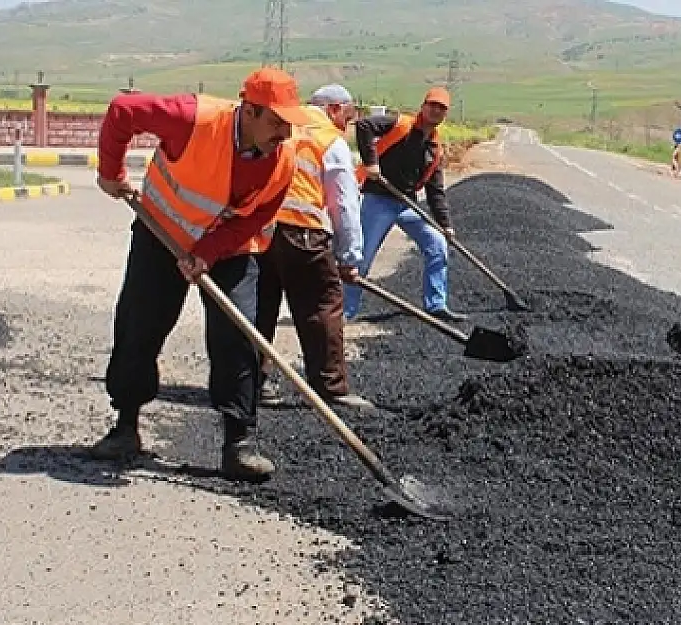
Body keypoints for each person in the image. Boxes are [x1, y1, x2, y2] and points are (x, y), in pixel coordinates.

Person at [90, 67, 312, 482]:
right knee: (140, 325)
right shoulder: (192, 118)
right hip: (161, 234)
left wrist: (208, 252)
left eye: (289, 123)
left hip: (229, 248)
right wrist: (111, 172)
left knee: (238, 333)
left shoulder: (285, 154)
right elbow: (122, 110)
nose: (284, 132)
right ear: (249, 110)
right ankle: (125, 426)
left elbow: (260, 213)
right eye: (277, 122)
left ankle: (238, 443)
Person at [255, 84, 373, 410]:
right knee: (321, 307)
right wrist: (349, 257)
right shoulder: (328, 139)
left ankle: (252, 383)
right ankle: (330, 388)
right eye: (347, 118)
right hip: (302, 233)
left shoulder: (283, 123)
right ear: (334, 109)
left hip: (260, 230)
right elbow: (344, 204)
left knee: (260, 307)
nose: (346, 127)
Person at [343, 86, 466, 323]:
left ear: (445, 115)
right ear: (423, 106)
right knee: (362, 258)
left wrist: (446, 224)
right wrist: (371, 163)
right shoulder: (400, 125)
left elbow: (435, 191)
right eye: (432, 105)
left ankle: (436, 305)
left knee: (437, 244)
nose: (435, 111)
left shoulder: (435, 149)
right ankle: (345, 311)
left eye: (441, 108)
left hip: (407, 204)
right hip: (378, 199)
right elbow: (363, 126)